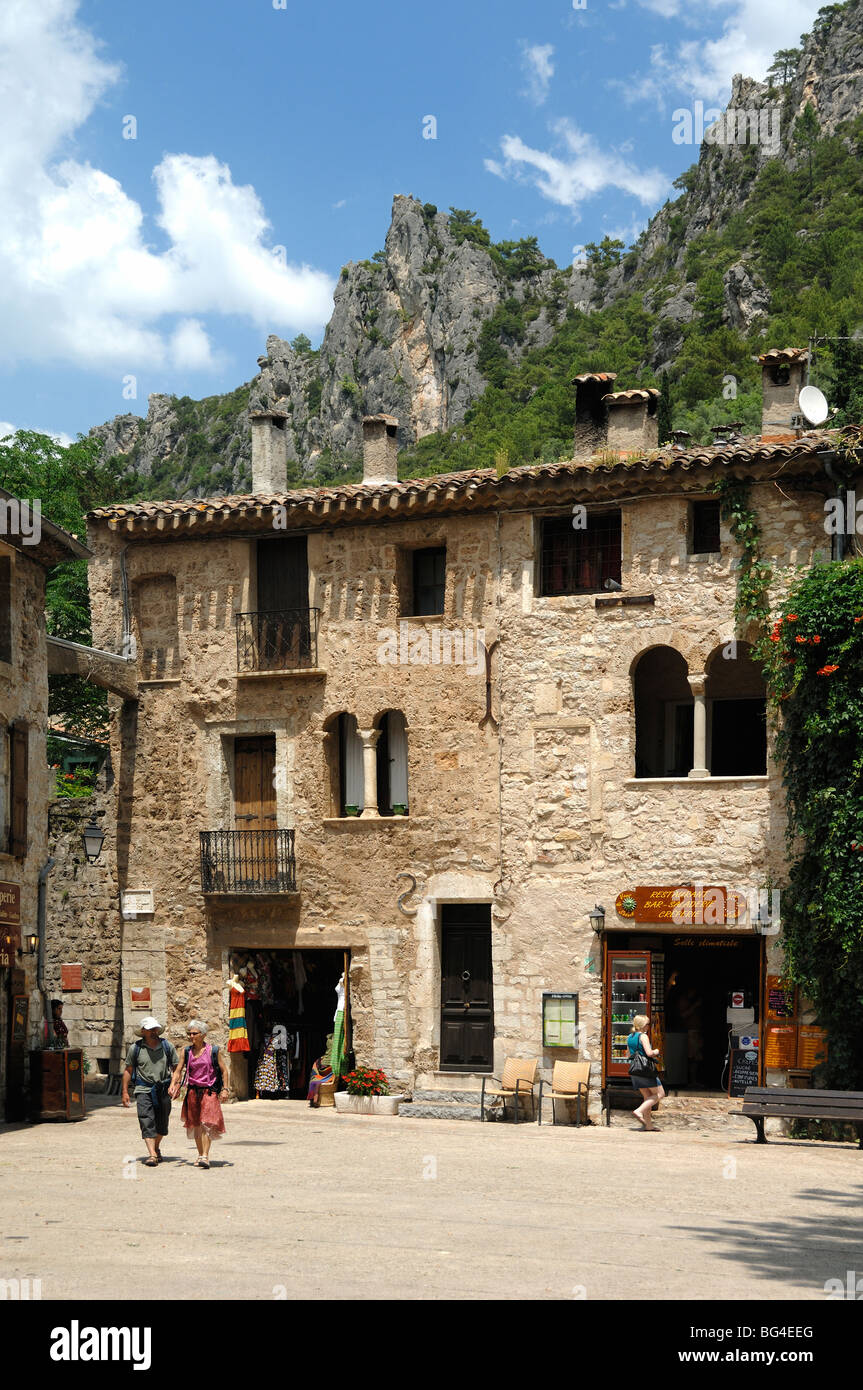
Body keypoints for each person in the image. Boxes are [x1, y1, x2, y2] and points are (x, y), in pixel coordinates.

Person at [121, 1017, 183, 1166]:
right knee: (146, 1120)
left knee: (162, 1123)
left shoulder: (167, 1046)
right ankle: (152, 1155)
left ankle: (156, 1147)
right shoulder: (135, 1049)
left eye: (155, 1028)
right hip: (143, 1089)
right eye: (150, 1029)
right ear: (143, 1031)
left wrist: (177, 1084)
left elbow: (176, 1068)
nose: (154, 1031)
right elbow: (128, 1070)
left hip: (163, 1089)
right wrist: (124, 1091)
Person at [180, 1020, 229, 1168]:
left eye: (195, 1033)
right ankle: (201, 1154)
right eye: (189, 1033)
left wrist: (225, 1089)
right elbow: (178, 1070)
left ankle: (205, 1156)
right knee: (196, 1125)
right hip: (193, 1092)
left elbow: (224, 1070)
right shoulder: (186, 1051)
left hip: (209, 1092)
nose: (191, 1036)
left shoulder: (213, 1051)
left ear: (203, 1035)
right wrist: (174, 1084)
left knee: (206, 1123)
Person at [628, 1013, 665, 1132]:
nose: (649, 1026)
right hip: (646, 1070)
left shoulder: (630, 1037)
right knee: (660, 1094)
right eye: (648, 1024)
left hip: (635, 1070)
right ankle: (638, 1111)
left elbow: (628, 1055)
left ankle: (648, 1125)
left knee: (647, 1097)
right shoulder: (643, 1036)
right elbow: (649, 1053)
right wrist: (656, 1051)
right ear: (643, 1025)